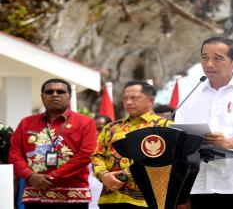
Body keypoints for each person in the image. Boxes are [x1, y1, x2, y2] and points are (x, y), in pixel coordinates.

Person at [175, 36, 233, 209]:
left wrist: (228, 142)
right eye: (205, 57)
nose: (209, 64)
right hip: (200, 183)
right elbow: (180, 132)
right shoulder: (191, 94)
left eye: (217, 58)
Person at [9, 78, 97, 208]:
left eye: (60, 92)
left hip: (73, 196)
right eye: (49, 92)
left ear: (69, 96)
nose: (55, 94)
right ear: (42, 97)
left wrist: (53, 176)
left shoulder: (85, 122)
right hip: (35, 195)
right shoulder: (26, 123)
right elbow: (14, 154)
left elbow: (86, 154)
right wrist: (30, 175)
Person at [92, 80, 172, 208]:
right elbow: (97, 155)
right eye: (125, 98)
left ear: (150, 100)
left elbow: (166, 159)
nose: (128, 102)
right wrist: (103, 175)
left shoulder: (165, 126)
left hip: (147, 199)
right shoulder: (110, 127)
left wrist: (127, 174)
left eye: (134, 98)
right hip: (111, 197)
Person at [89, 115, 112, 209]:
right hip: (89, 196)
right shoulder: (85, 148)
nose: (96, 133)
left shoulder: (118, 150)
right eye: (93, 129)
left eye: (100, 129)